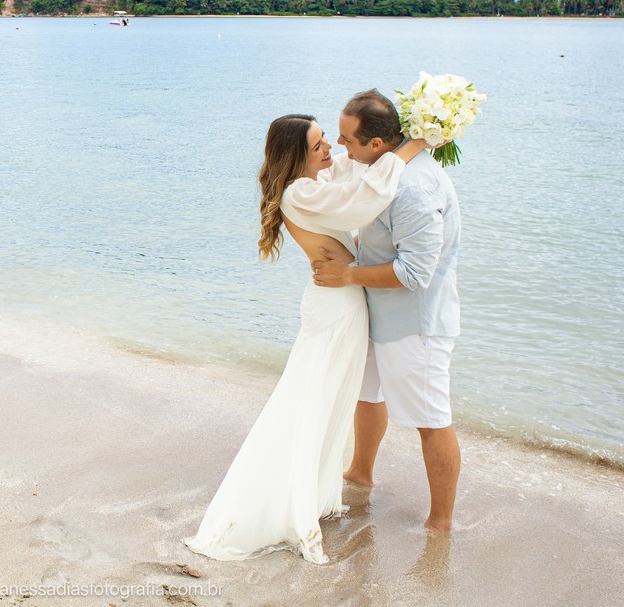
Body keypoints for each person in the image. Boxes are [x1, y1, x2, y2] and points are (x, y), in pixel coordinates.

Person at [184, 114, 427, 563]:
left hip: (340, 302)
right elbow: (363, 200)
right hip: (335, 308)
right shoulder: (301, 193)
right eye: (318, 145)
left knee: (330, 400)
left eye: (326, 139)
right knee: (311, 400)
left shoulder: (316, 181)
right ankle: (284, 499)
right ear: (297, 157)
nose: (329, 148)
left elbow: (356, 171)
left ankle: (310, 491)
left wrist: (394, 141)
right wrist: (415, 145)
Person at [312, 89, 462, 532]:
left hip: (415, 324)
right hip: (378, 312)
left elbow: (415, 273)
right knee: (366, 393)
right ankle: (360, 471)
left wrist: (347, 275)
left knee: (431, 420)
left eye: (347, 139)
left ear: (376, 143)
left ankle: (440, 521)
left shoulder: (413, 189)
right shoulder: (385, 167)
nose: (341, 146)